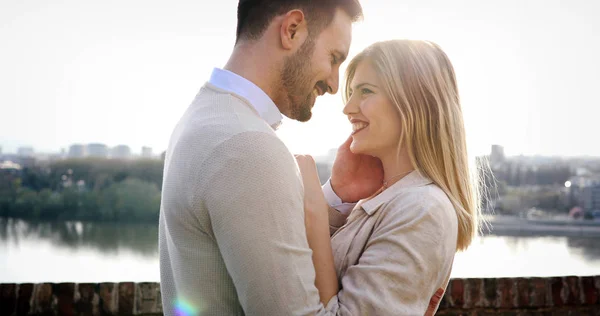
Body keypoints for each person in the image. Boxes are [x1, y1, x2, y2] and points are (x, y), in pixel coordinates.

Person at [159, 0, 443, 314]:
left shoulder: (204, 118)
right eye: (334, 58)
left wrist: (334, 199)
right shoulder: (249, 146)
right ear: (292, 30)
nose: (335, 86)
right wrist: (314, 209)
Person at [296, 39, 482, 315]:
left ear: (415, 102)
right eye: (351, 93)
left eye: (366, 91)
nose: (348, 108)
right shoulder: (386, 199)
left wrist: (313, 209)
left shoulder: (422, 210)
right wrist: (337, 195)